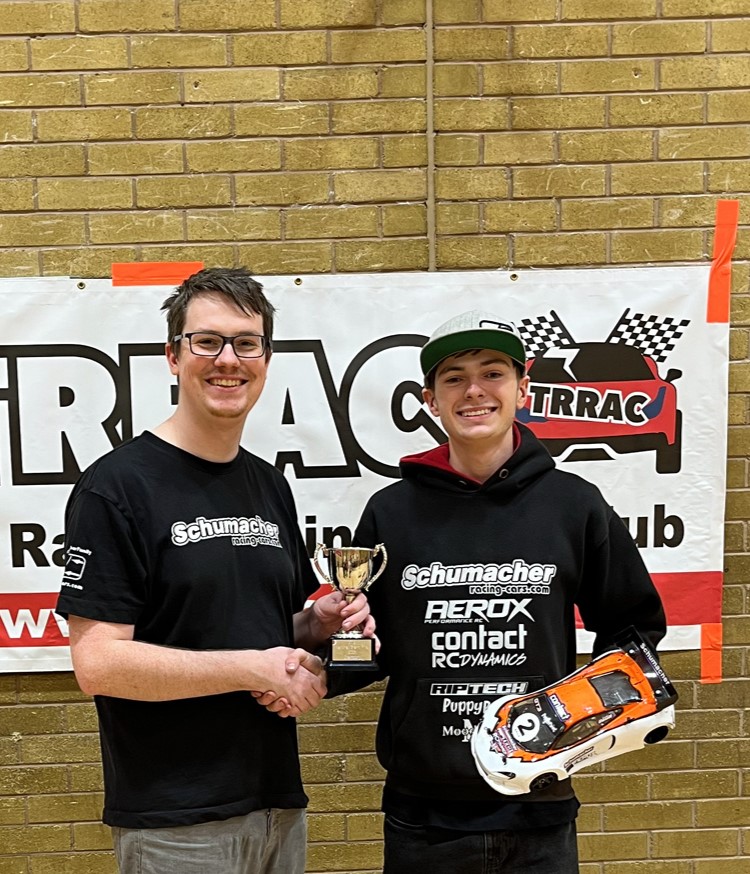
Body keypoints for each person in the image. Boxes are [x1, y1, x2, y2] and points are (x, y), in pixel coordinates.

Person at [55, 267, 374, 874]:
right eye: (207, 341)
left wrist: (319, 624)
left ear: (266, 359)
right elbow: (98, 664)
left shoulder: (269, 485)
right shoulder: (116, 487)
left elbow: (262, 629)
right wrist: (252, 668)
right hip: (176, 821)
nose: (228, 359)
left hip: (276, 805)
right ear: (173, 357)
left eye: (246, 343)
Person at [326, 310, 667, 873]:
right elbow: (366, 642)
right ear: (431, 400)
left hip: (539, 807)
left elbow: (633, 626)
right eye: (454, 378)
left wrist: (582, 718)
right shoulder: (390, 512)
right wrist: (310, 671)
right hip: (424, 813)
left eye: (492, 373)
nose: (474, 390)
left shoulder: (574, 504)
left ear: (523, 389)